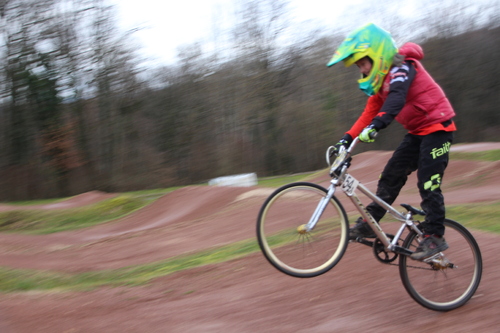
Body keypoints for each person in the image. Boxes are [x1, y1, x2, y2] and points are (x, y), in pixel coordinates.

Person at [327, 23, 456, 261]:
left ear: (377, 54)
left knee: (428, 183)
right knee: (391, 174)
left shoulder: (401, 67)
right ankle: (371, 221)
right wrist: (347, 138)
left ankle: (435, 236)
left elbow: (396, 98)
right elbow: (368, 114)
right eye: (358, 67)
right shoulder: (380, 83)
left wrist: (377, 125)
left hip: (439, 129)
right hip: (418, 132)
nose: (362, 70)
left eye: (363, 64)